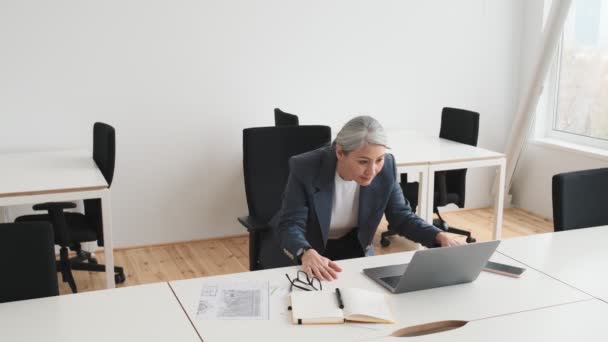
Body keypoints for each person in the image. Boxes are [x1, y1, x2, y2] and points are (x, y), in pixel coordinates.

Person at [274, 115, 463, 281]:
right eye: (363, 162)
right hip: (311, 247)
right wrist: (304, 252)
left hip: (353, 244)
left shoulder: (387, 167)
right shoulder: (305, 167)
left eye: (379, 160)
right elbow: (290, 223)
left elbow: (401, 216)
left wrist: (438, 236)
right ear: (340, 152)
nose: (372, 171)